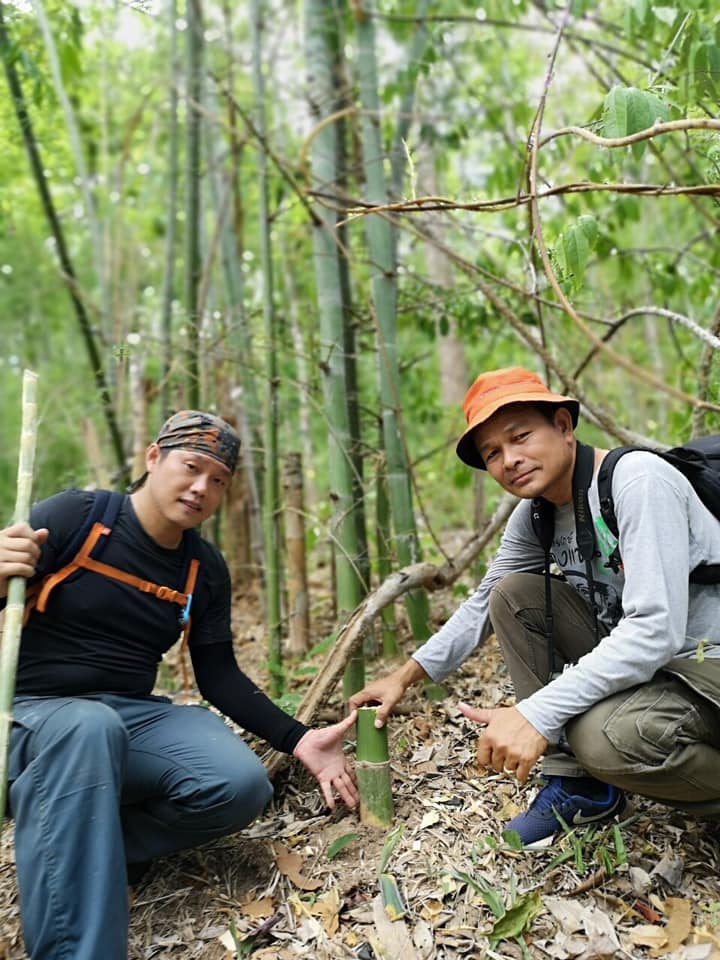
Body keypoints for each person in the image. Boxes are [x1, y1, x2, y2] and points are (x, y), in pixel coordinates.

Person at [1, 410, 358, 960]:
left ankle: (91, 842)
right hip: (27, 713)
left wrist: (299, 738)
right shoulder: (81, 516)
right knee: (86, 726)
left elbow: (217, 676)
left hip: (124, 716)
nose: (201, 488)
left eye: (219, 480)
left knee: (238, 783)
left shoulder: (202, 568)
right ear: (152, 458)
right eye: (191, 468)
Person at [350, 366, 720, 845]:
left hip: (705, 657)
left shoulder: (638, 481)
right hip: (660, 665)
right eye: (493, 453)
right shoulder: (538, 514)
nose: (510, 460)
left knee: (605, 738)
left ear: (564, 427)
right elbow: (483, 604)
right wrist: (402, 678)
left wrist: (537, 714)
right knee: (514, 596)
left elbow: (655, 631)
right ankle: (580, 785)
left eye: (520, 436)